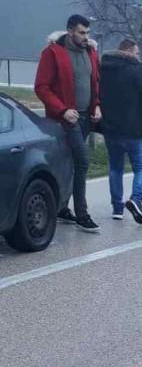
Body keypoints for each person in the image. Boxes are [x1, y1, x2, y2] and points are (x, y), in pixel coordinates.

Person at [34, 14, 102, 232]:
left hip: (85, 118)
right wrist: (62, 110)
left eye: (88, 33)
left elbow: (95, 82)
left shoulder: (90, 52)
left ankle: (61, 207)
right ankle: (82, 214)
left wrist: (97, 105)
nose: (86, 37)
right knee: (82, 160)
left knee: (68, 163)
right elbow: (42, 87)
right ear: (70, 31)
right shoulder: (53, 53)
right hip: (64, 118)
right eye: (82, 33)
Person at [99, 39, 142, 224]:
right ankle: (136, 200)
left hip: (111, 128)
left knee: (115, 168)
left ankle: (117, 208)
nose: (138, 56)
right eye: (137, 53)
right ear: (129, 52)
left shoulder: (103, 69)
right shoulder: (135, 69)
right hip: (134, 129)